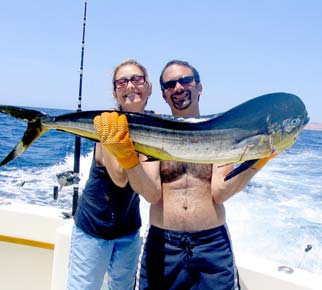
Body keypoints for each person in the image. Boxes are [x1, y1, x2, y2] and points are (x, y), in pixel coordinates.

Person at [94, 60, 276, 290]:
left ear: (199, 87)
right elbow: (151, 193)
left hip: (212, 246)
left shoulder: (219, 131)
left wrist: (260, 160)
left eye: (186, 80)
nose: (178, 87)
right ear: (164, 94)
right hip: (163, 246)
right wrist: (129, 159)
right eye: (170, 85)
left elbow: (220, 193)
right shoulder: (155, 130)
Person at [67, 59, 155, 290]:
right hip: (93, 228)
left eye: (137, 79)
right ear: (116, 93)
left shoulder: (155, 122)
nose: (130, 86)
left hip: (128, 228)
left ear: (148, 87)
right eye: (122, 82)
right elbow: (120, 177)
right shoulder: (108, 123)